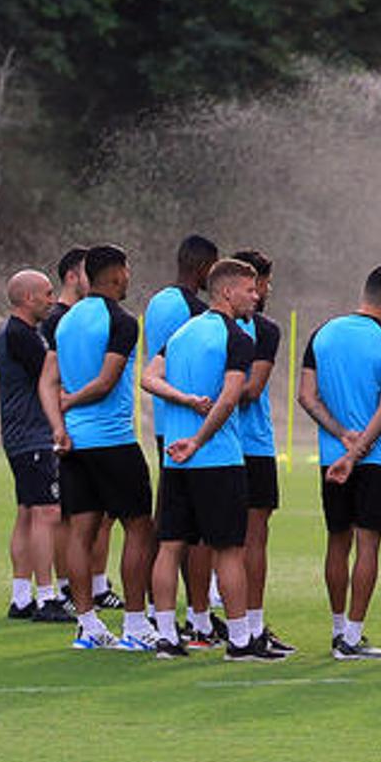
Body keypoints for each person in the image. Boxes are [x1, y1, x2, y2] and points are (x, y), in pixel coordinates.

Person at [151, 258, 281, 660]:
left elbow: (148, 378)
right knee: (228, 550)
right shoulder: (238, 339)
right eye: (249, 289)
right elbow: (229, 399)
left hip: (176, 461)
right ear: (227, 291)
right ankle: (241, 641)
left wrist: (183, 400)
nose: (256, 296)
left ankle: (167, 637)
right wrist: (198, 438)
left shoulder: (181, 333)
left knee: (171, 546)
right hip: (218, 459)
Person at [39, 243, 157, 652]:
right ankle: (136, 625)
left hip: (74, 443)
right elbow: (107, 381)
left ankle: (87, 625)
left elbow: (47, 381)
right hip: (112, 441)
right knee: (141, 528)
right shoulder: (121, 321)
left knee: (80, 532)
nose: (129, 277)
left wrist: (59, 425)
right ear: (117, 273)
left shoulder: (66, 321)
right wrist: (69, 404)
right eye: (127, 270)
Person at [298, 266, 381, 660]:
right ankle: (352, 636)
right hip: (374, 458)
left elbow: (306, 396)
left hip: (332, 456)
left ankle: (337, 630)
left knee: (337, 540)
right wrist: (359, 449)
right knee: (368, 545)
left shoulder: (322, 334)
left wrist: (341, 436)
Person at [142, 234, 221, 645]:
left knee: (169, 521)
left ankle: (165, 613)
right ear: (207, 268)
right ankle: (196, 616)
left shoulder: (157, 301)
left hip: (162, 424)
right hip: (190, 428)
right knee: (194, 530)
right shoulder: (196, 312)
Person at [45, 249, 117, 611]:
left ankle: (93, 589)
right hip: (81, 434)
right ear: (75, 276)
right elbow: (51, 382)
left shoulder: (78, 319)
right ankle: (67, 590)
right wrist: (61, 419)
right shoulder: (61, 321)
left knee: (98, 519)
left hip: (79, 431)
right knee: (73, 520)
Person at [0, 269, 70, 622]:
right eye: (46, 293)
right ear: (28, 299)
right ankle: (46, 598)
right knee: (47, 513)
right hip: (32, 436)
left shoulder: (19, 333)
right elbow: (53, 380)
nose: (52, 298)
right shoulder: (22, 336)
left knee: (28, 513)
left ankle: (22, 596)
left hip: (19, 437)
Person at [231, 249, 291, 656]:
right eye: (258, 286)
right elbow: (251, 390)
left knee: (218, 540)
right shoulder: (263, 330)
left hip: (216, 443)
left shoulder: (206, 327)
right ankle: (249, 628)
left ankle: (211, 622)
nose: (262, 293)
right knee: (253, 538)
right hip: (249, 444)